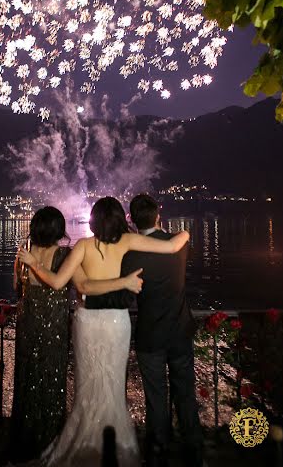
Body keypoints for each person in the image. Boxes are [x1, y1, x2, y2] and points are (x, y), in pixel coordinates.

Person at [18, 196, 190, 467]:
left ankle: (86, 441)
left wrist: (33, 263)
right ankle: (118, 444)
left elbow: (62, 282)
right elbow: (171, 246)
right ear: (121, 219)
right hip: (117, 323)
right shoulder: (128, 241)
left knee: (88, 385)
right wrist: (186, 232)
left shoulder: (82, 246)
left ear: (94, 220)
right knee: (113, 385)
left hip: (87, 322)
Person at [10, 206, 142, 463]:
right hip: (54, 328)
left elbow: (17, 286)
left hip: (27, 325)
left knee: (26, 381)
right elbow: (80, 287)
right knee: (51, 382)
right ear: (59, 230)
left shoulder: (22, 255)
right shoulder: (64, 254)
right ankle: (49, 438)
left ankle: (23, 441)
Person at [122, 194, 203, 467]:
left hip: (150, 335)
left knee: (156, 398)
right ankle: (193, 450)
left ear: (131, 220)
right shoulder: (177, 244)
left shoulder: (131, 254)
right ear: (158, 215)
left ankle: (158, 452)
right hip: (180, 331)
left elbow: (126, 295)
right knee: (186, 393)